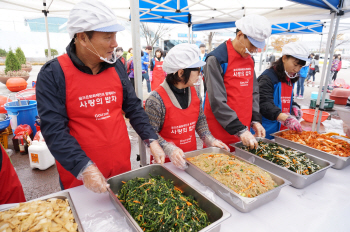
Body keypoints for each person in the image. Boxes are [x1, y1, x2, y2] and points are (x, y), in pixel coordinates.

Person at [36, 0, 165, 194]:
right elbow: (54, 130)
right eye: (107, 37)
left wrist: (151, 139)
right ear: (82, 37)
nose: (115, 43)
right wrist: (84, 167)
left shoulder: (116, 66)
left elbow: (133, 107)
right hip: (81, 175)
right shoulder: (53, 73)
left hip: (121, 166)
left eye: (114, 35)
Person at [145, 44, 229, 169]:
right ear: (181, 73)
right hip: (166, 163)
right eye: (198, 70)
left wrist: (210, 139)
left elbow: (200, 120)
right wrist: (170, 149)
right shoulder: (155, 99)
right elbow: (150, 134)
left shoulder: (194, 92)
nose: (200, 74)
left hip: (190, 158)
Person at [203, 15, 270, 151]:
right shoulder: (216, 59)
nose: (253, 51)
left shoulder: (249, 59)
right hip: (221, 128)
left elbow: (254, 92)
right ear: (240, 35)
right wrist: (239, 129)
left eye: (257, 47)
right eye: (252, 45)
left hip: (243, 128)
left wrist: (255, 119)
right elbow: (217, 100)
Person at [258, 41, 307, 139]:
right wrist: (285, 118)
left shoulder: (290, 77)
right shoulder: (268, 77)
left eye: (300, 67)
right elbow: (264, 103)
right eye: (295, 64)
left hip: (282, 128)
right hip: (266, 128)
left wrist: (294, 106)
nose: (297, 69)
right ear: (284, 58)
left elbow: (288, 98)